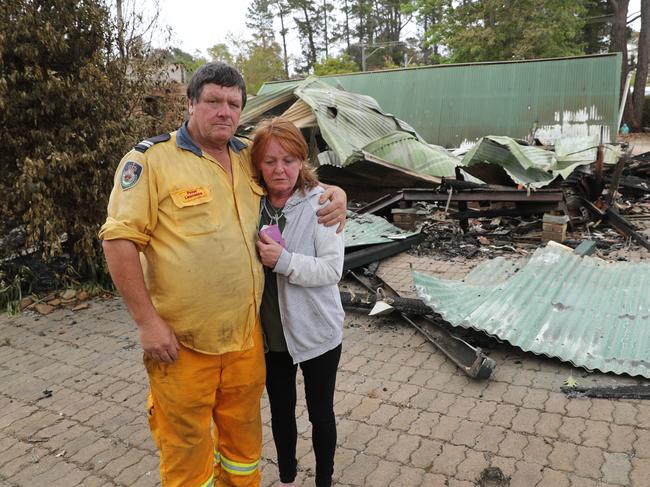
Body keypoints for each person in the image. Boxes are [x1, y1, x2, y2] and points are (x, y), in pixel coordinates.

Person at [99, 63, 346, 487]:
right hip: (181, 345)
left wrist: (339, 195)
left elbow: (294, 174)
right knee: (187, 456)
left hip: (246, 343)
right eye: (213, 100)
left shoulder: (247, 156)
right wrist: (147, 323)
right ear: (191, 102)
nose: (224, 111)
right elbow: (118, 240)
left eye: (233, 104)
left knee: (242, 451)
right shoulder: (151, 161)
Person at [253, 117, 345, 487]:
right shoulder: (249, 202)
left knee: (321, 414)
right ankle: (288, 477)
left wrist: (284, 262)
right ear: (258, 164)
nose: (280, 170)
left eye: (289, 160)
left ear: (301, 160)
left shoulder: (321, 202)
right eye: (270, 161)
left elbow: (332, 270)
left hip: (317, 331)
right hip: (271, 335)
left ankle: (324, 479)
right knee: (280, 412)